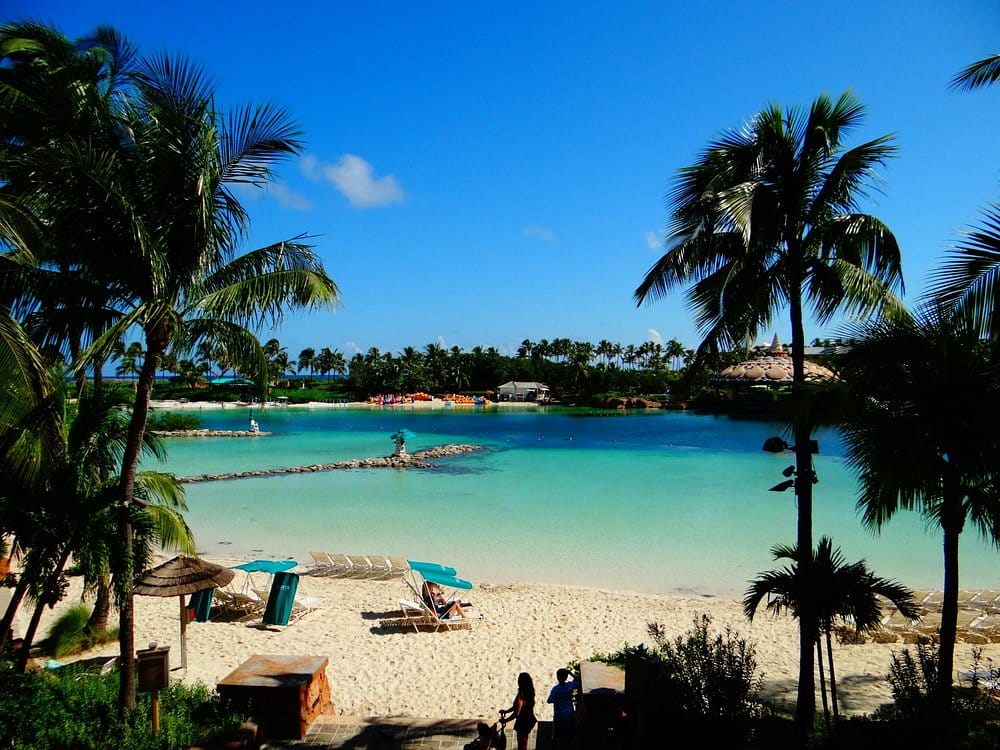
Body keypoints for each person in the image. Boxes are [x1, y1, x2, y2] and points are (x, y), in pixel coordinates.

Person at [500, 672, 536, 750]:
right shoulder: (529, 693)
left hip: (523, 722)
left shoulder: (521, 694)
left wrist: (506, 720)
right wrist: (507, 711)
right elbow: (517, 707)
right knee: (523, 743)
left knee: (522, 744)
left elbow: (517, 712)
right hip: (529, 720)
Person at [547, 667, 580, 747]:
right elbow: (578, 680)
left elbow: (549, 700)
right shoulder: (570, 685)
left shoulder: (555, 689)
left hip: (559, 715)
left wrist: (557, 700)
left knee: (557, 736)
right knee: (569, 735)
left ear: (557, 677)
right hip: (569, 713)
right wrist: (570, 673)